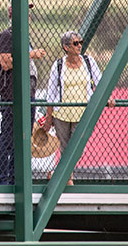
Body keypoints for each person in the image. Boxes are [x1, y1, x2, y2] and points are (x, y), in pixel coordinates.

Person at [43, 31, 115, 185]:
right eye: (75, 43)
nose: (79, 46)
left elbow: (100, 82)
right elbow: (51, 93)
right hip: (61, 114)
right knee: (64, 148)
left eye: (80, 42)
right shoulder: (59, 65)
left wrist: (107, 97)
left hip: (82, 113)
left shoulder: (89, 62)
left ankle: (58, 174)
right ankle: (68, 180)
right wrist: (49, 119)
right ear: (66, 47)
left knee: (77, 148)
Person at [0, 4, 46, 185]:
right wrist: (31, 54)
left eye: (28, 13)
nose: (28, 15)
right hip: (13, 95)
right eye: (24, 12)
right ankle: (0, 178)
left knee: (23, 137)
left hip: (27, 94)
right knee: (8, 135)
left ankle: (16, 176)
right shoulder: (8, 35)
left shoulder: (24, 36)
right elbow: (6, 63)